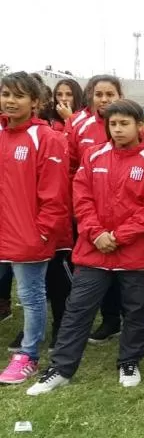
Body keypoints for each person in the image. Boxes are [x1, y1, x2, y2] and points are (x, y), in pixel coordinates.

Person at [27, 99, 144, 394]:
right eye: (113, 124)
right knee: (78, 310)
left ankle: (129, 361)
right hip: (94, 252)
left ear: (139, 126)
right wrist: (96, 233)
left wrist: (117, 236)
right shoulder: (93, 156)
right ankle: (62, 368)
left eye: (124, 124)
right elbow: (81, 199)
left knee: (137, 311)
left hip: (138, 255)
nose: (117, 130)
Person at [68, 75, 144, 344]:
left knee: (132, 292)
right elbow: (74, 174)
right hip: (95, 224)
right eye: (99, 94)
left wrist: (118, 235)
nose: (104, 99)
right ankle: (109, 321)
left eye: (110, 94)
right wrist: (95, 231)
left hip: (129, 236)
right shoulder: (80, 127)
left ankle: (128, 348)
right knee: (91, 287)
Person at [0, 72, 70, 385]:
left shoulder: (48, 138)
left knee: (30, 296)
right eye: (5, 94)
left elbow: (55, 196)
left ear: (36, 102)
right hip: (4, 232)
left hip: (28, 237)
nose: (10, 101)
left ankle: (28, 355)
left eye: (18, 95)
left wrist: (41, 233)